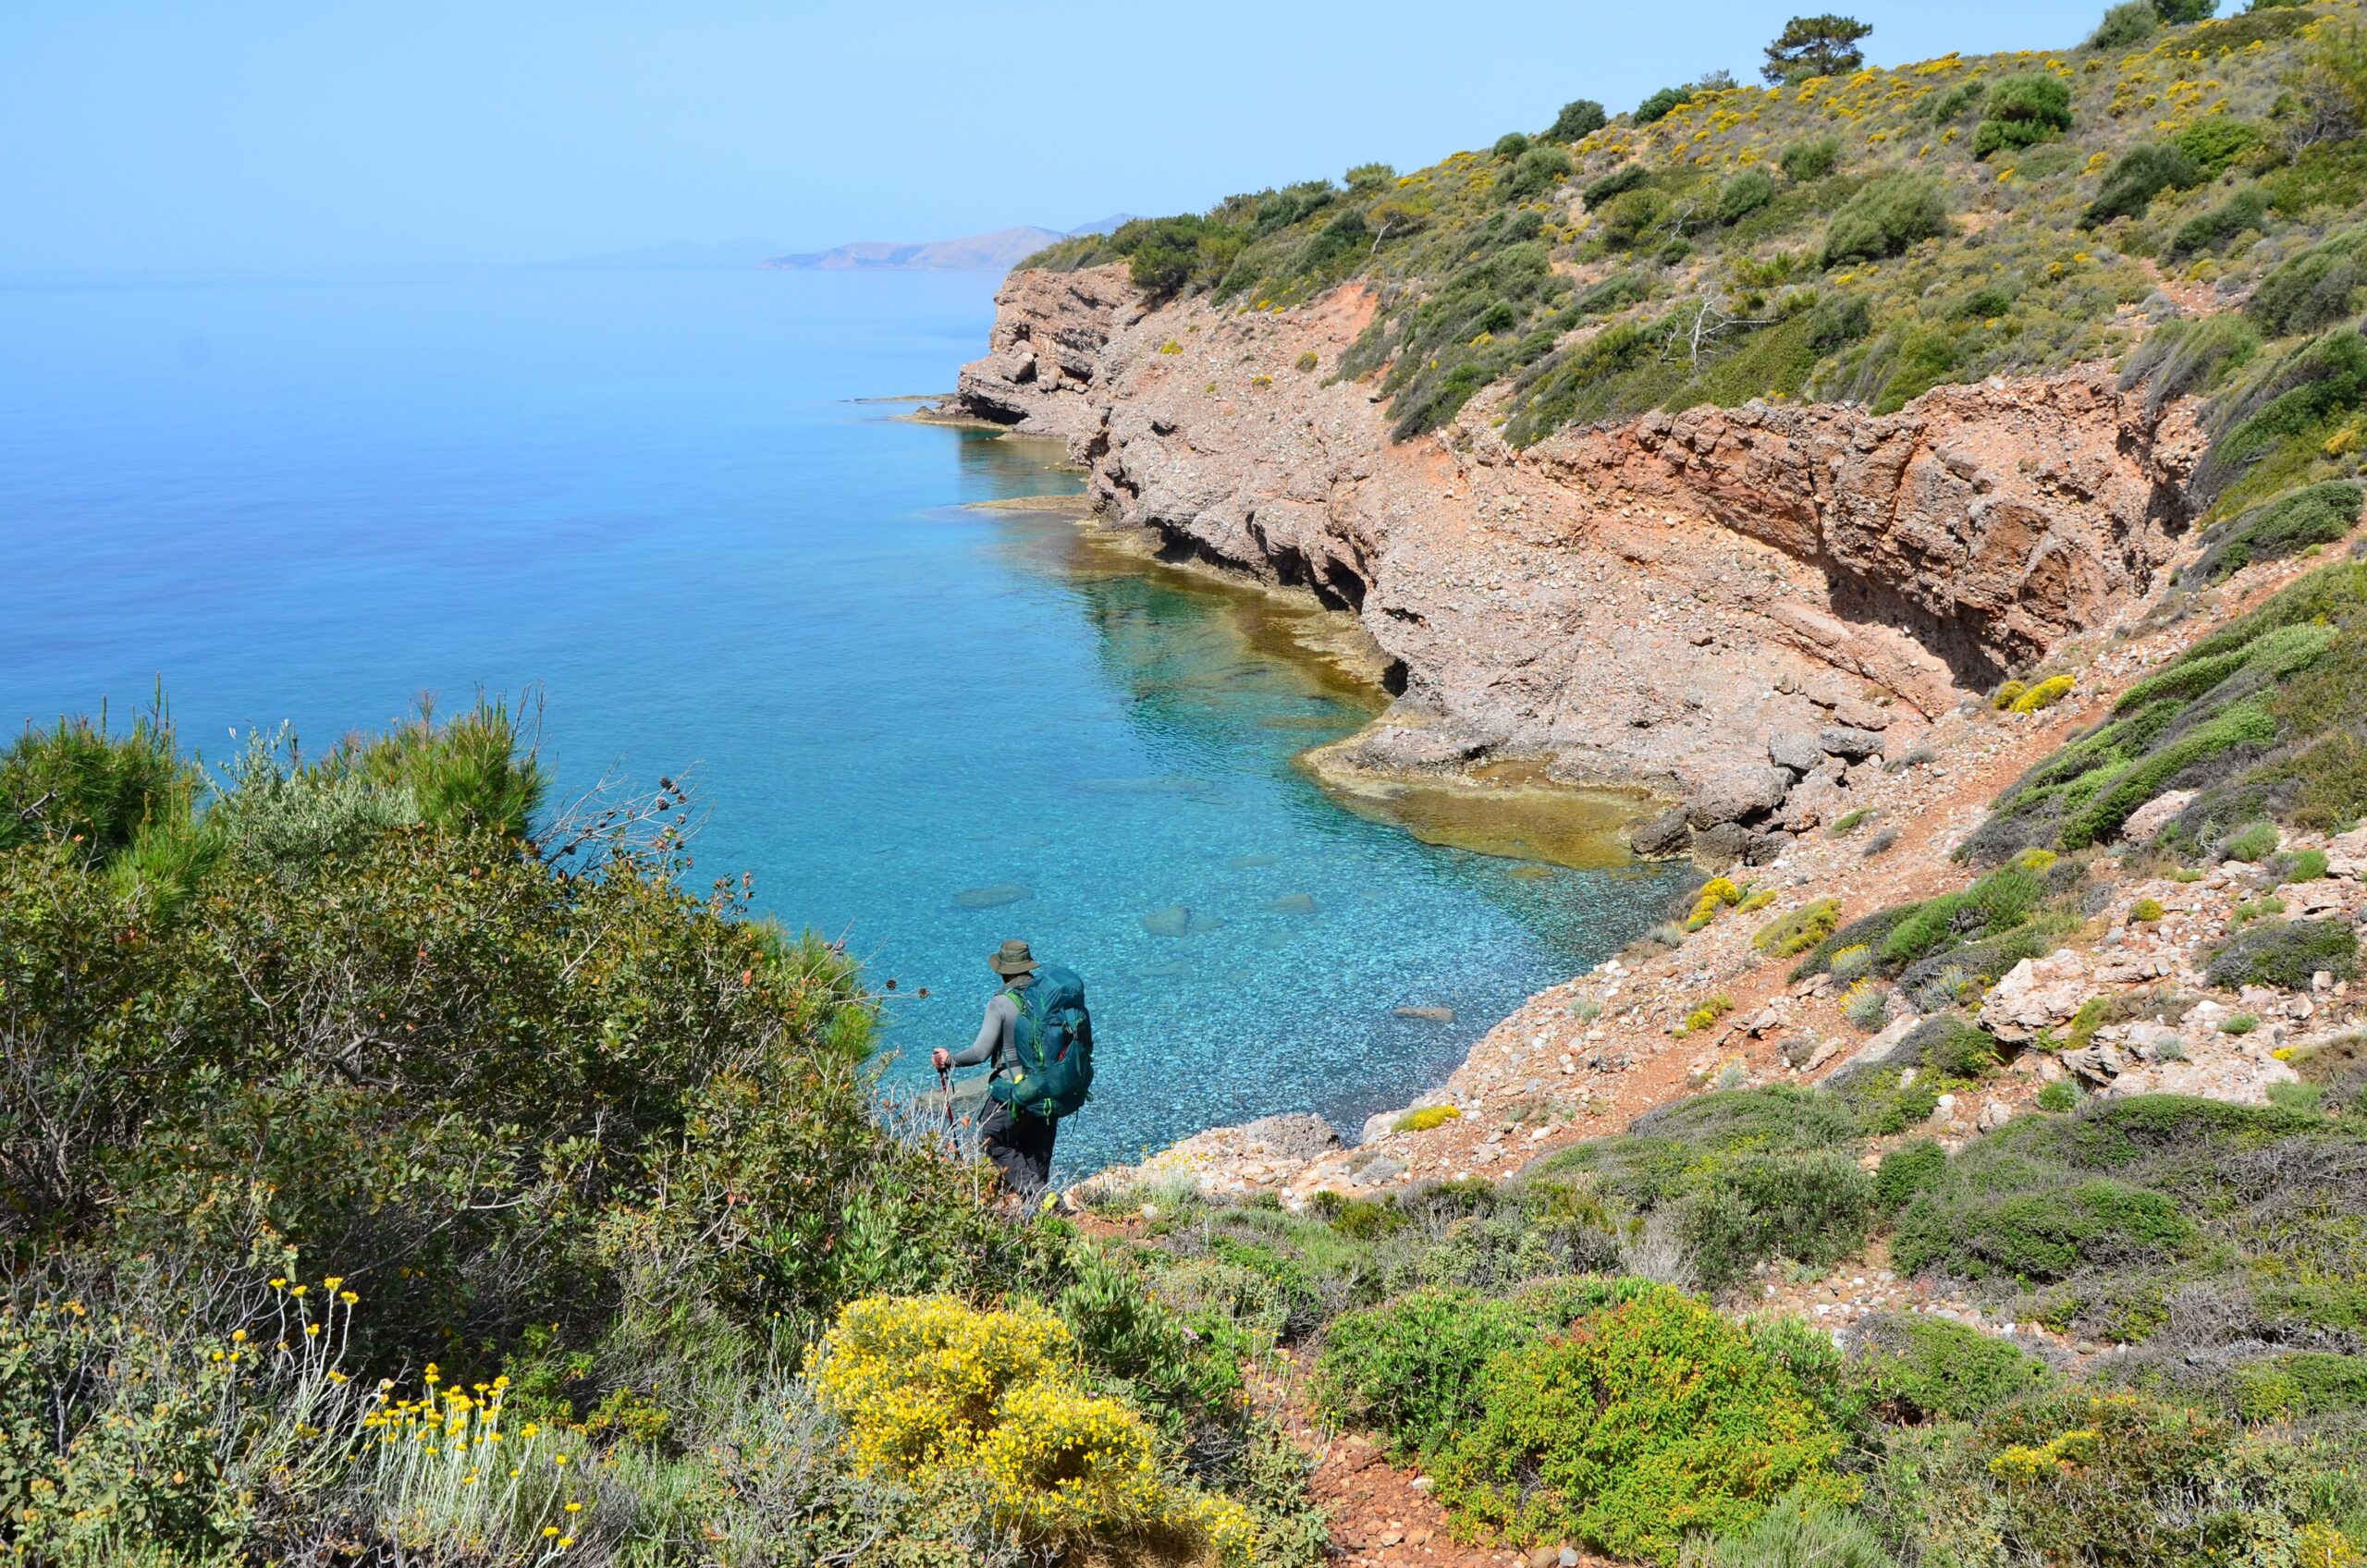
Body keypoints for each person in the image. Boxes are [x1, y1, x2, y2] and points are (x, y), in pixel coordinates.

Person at [934, 938, 1059, 1199]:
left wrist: (949, 1059)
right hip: (1049, 1085)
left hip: (1015, 1088)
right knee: (1036, 1153)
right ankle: (1045, 1216)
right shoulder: (1049, 995)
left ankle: (1045, 1201)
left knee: (989, 1137)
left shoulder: (1000, 1003)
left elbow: (980, 1053)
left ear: (1003, 970)